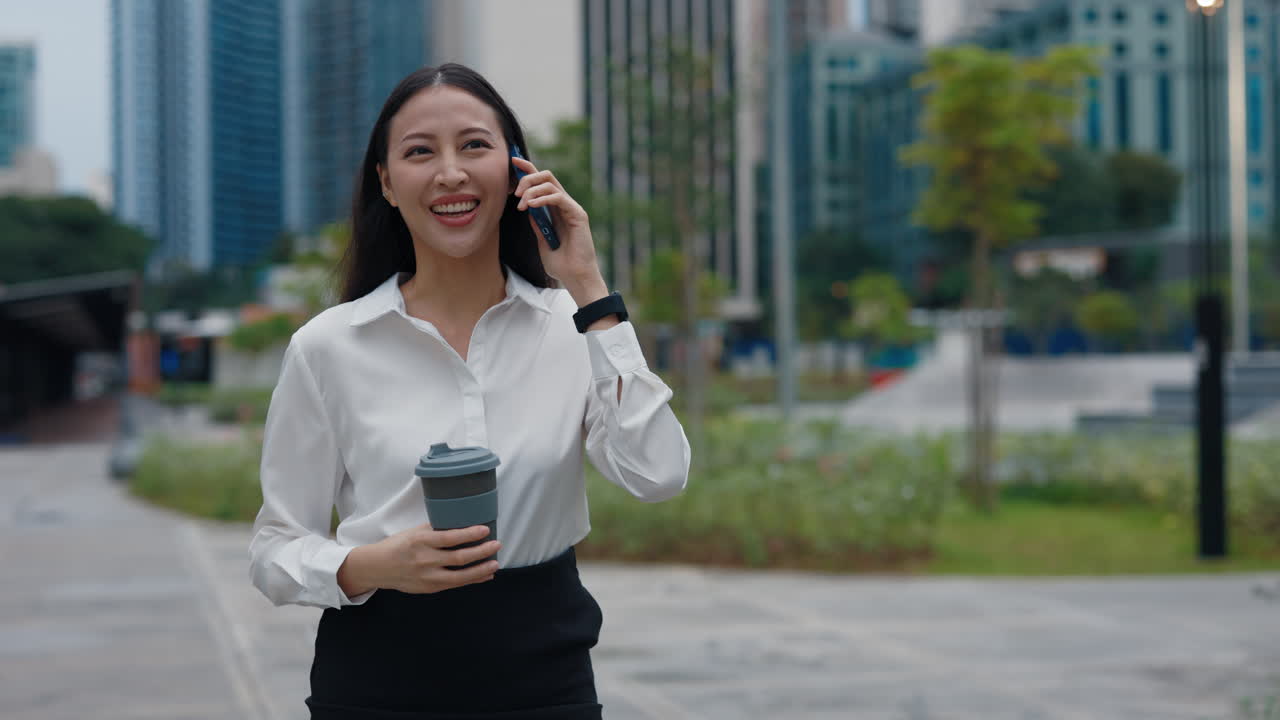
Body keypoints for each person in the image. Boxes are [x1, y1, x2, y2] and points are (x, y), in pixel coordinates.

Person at [247, 63, 691, 719]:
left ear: (517, 171)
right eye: (420, 151)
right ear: (387, 184)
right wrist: (371, 566)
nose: (450, 172)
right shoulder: (328, 346)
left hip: (546, 684)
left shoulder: (570, 330)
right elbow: (274, 550)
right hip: (377, 686)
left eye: (475, 146)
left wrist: (590, 289)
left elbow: (659, 475)